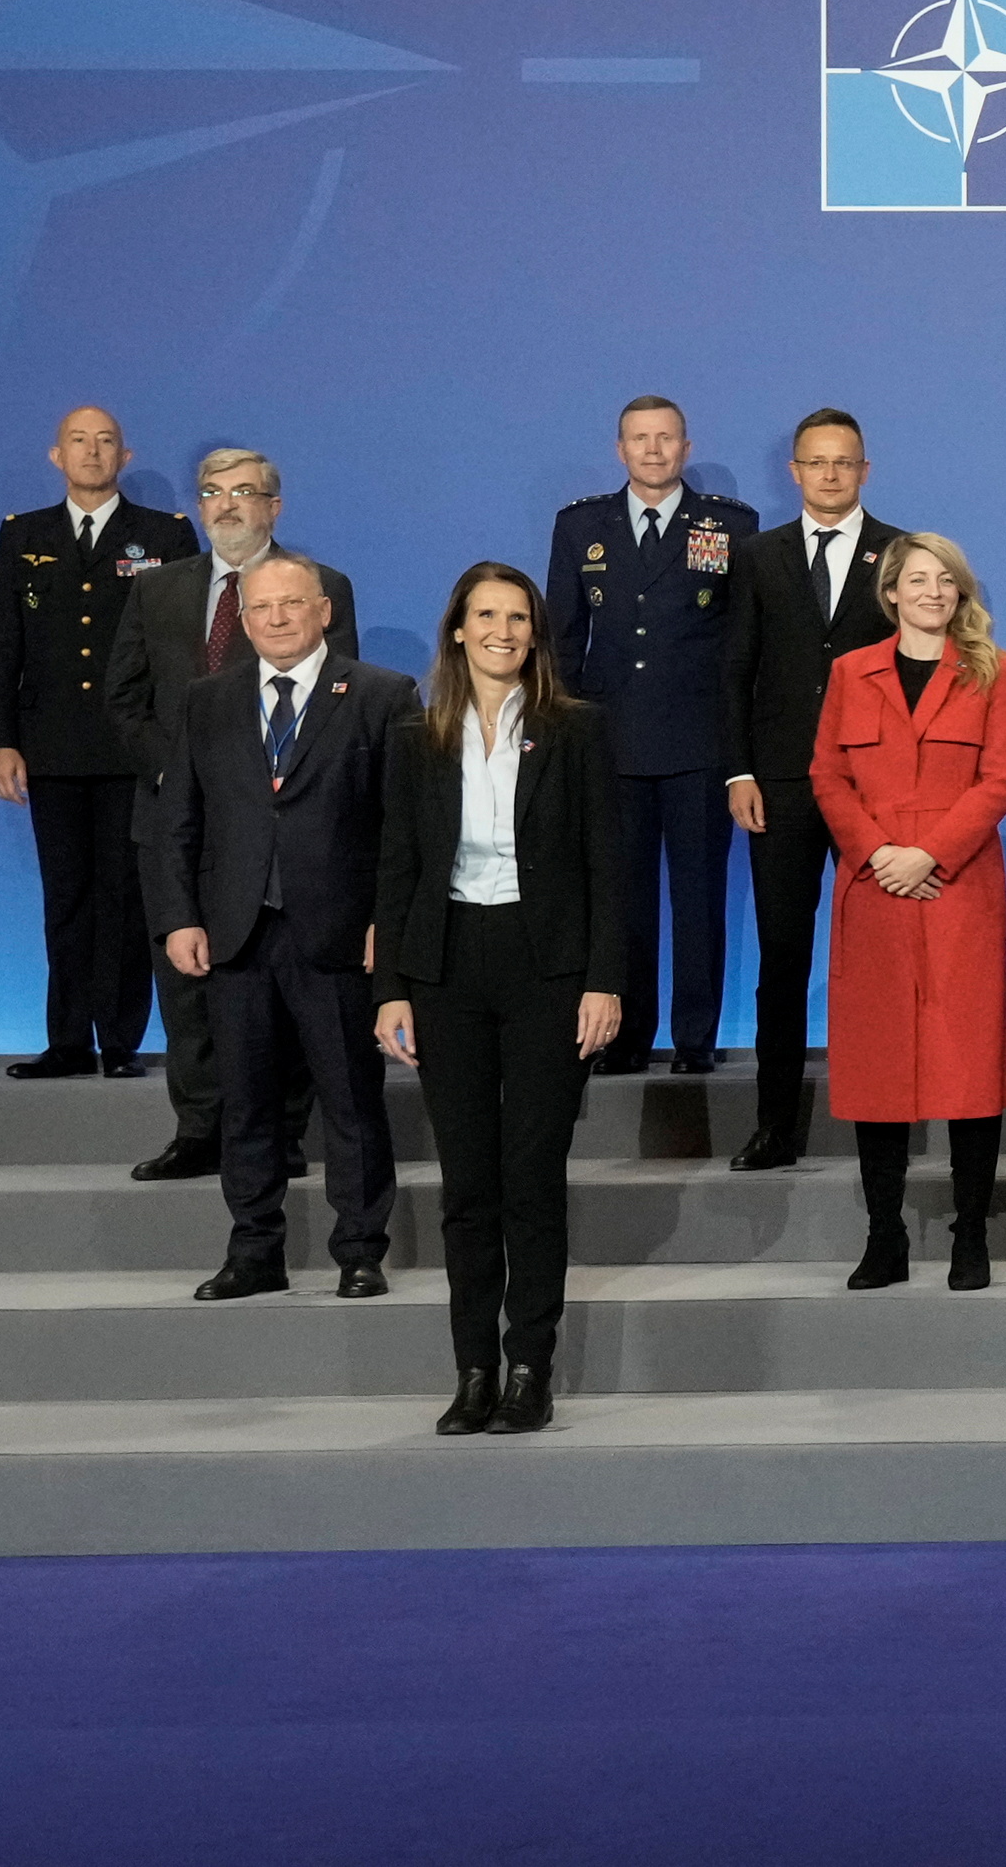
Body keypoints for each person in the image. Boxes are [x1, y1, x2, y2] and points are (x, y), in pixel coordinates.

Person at [372, 562, 625, 1434]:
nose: (502, 631)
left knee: (531, 1178)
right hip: (445, 967)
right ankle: (472, 1368)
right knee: (467, 1186)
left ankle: (529, 1367)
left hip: (547, 967)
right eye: (486, 615)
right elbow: (397, 868)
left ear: (535, 633)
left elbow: (609, 868)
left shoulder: (577, 731)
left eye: (518, 617)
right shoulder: (416, 737)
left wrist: (605, 979)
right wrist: (391, 990)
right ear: (456, 629)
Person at [148, 554, 418, 1303]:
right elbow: (179, 822)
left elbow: (404, 830)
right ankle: (254, 1248)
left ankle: (360, 1249)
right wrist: (179, 917)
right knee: (246, 1101)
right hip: (235, 935)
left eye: (290, 605)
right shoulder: (209, 699)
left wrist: (385, 926)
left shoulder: (380, 695)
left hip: (336, 934)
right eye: (261, 608)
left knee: (350, 1102)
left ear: (322, 610)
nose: (274, 619)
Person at [105, 452, 356, 1183]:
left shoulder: (319, 586)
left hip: (282, 826)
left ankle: (280, 1131)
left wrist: (248, 781)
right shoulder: (157, 589)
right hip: (174, 821)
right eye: (213, 492)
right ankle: (201, 1129)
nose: (227, 504)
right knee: (187, 985)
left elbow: (335, 702)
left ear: (275, 506)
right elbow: (125, 700)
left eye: (244, 491)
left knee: (282, 981)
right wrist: (189, 776)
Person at [817, 532, 1006, 1293]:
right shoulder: (849, 671)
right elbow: (827, 775)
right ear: (892, 592)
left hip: (957, 889)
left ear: (962, 592)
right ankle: (886, 1237)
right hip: (873, 892)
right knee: (879, 1069)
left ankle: (971, 1236)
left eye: (947, 580)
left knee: (965, 1067)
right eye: (918, 579)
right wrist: (877, 854)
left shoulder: (997, 673)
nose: (933, 591)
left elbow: (999, 780)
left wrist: (928, 854)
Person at [0, 404, 196, 1082]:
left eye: (106, 441)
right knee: (66, 894)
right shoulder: (24, 535)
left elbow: (180, 647)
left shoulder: (165, 534)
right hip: (51, 746)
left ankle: (120, 1039)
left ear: (124, 458)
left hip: (133, 747)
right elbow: (0, 642)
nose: (93, 452)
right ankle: (67, 1039)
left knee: (125, 895)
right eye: (79, 440)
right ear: (57, 455)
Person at [540, 396, 756, 1076]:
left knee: (699, 898)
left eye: (665, 438)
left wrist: (737, 751)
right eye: (640, 438)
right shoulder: (581, 525)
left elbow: (741, 641)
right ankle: (626, 1036)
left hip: (698, 741)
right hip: (610, 742)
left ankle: (696, 1038)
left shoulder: (728, 523)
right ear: (620, 449)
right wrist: (562, 737)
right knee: (621, 898)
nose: (653, 449)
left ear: (686, 448)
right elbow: (563, 639)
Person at [717, 407, 898, 1171]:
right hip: (782, 782)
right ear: (793, 472)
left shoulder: (900, 554)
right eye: (816, 462)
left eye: (844, 461)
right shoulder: (757, 556)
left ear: (865, 470)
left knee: (884, 957)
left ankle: (892, 1117)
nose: (830, 474)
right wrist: (739, 769)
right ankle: (775, 1125)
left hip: (875, 782)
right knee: (782, 957)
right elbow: (734, 669)